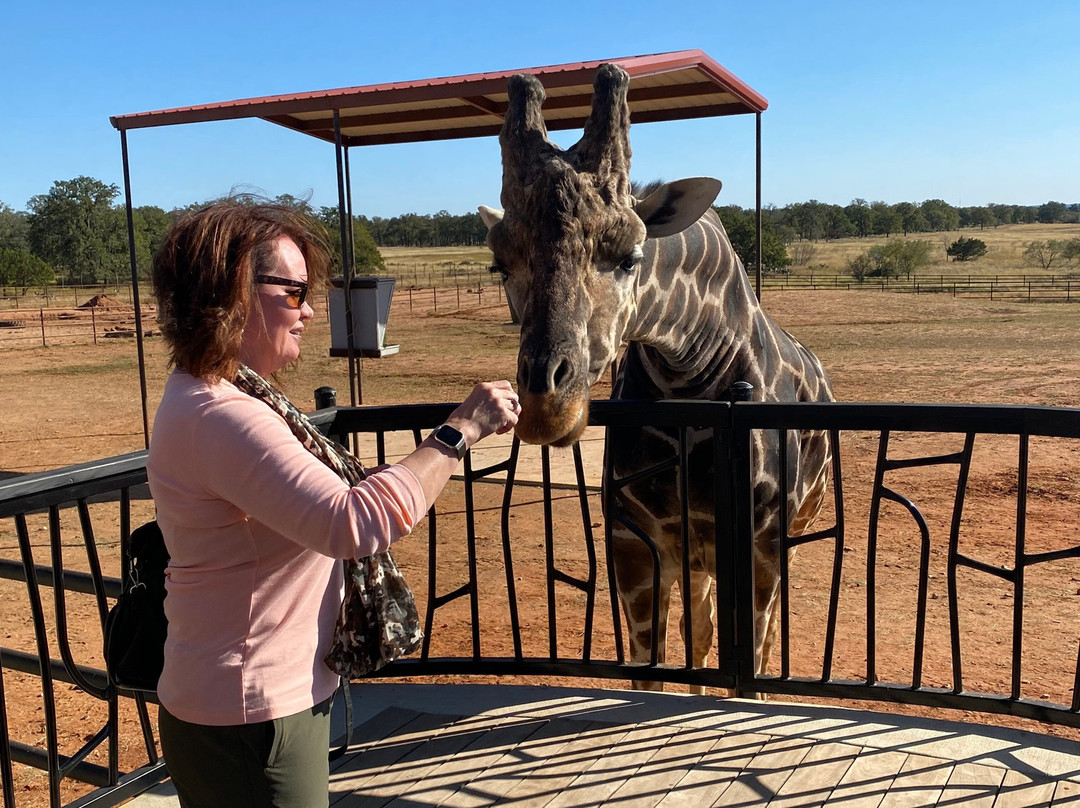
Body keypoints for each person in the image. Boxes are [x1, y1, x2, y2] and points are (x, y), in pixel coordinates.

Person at [146, 200, 519, 808]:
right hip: (248, 712)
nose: (310, 311)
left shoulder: (223, 396)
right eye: (293, 293)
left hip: (253, 700)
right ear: (235, 292)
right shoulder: (222, 415)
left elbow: (319, 501)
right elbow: (353, 521)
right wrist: (459, 432)